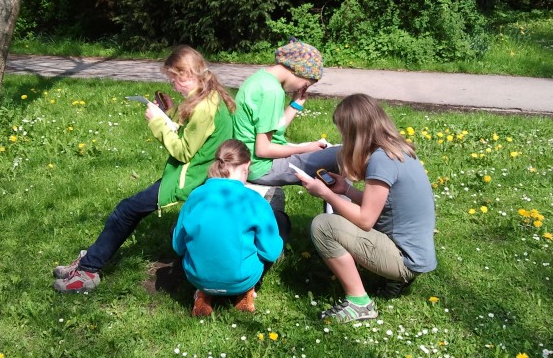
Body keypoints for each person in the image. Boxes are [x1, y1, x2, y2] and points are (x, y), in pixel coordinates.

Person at [53, 46, 235, 292]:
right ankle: (89, 261)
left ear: (186, 74)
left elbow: (183, 151)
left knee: (125, 210)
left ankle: (88, 271)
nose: (172, 85)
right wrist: (169, 112)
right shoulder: (209, 95)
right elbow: (194, 137)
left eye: (173, 79)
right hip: (197, 172)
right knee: (128, 209)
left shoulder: (203, 106)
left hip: (191, 177)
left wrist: (158, 122)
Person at [296, 94, 436, 323]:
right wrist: (346, 191)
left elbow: (365, 220)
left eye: (343, 132)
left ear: (354, 132)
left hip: (405, 258)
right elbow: (383, 205)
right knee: (339, 217)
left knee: (323, 226)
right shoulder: (397, 151)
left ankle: (359, 303)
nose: (342, 137)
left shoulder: (382, 160)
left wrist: (327, 194)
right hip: (417, 253)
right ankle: (394, 280)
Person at [172, 139, 283, 317]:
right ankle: (245, 292)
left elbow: (178, 247)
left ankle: (203, 294)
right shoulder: (254, 200)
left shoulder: (195, 195)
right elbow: (270, 252)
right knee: (280, 222)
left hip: (197, 277)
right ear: (246, 165)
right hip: (242, 278)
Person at [233, 38, 340, 186]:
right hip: (263, 168)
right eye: (306, 83)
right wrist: (305, 149)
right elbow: (263, 150)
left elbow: (275, 129)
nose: (302, 89)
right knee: (342, 155)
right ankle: (348, 208)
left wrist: (295, 105)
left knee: (333, 152)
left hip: (250, 161)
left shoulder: (261, 78)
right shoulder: (272, 92)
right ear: (298, 70)